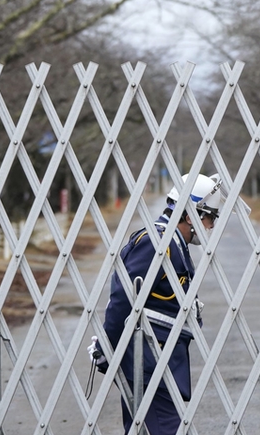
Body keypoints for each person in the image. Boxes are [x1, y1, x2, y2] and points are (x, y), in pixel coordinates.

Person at [88, 173, 222, 435]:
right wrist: (108, 347)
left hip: (159, 360)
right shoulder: (158, 242)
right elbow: (124, 300)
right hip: (149, 363)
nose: (211, 225)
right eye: (209, 216)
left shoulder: (173, 242)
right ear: (189, 215)